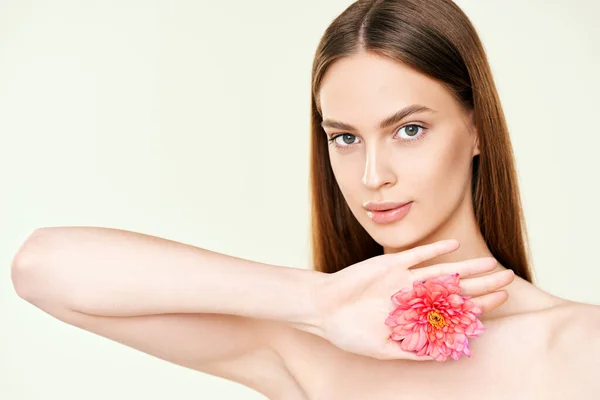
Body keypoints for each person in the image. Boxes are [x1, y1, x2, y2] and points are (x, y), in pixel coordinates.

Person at [10, 0, 600, 399]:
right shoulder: (306, 341)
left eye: (409, 129)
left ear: (475, 129)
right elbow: (43, 266)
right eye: (345, 138)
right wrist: (318, 301)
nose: (372, 175)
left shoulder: (582, 346)